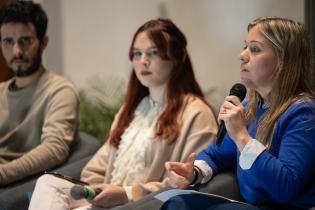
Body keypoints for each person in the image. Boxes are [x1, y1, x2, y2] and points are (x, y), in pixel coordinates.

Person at [28, 18, 218, 209]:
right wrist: (98, 191)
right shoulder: (133, 109)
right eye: (137, 54)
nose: (143, 61)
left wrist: (126, 194)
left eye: (154, 52)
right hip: (108, 201)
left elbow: (184, 185)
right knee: (48, 182)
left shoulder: (196, 113)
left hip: (143, 204)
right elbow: (95, 168)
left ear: (178, 57)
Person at [163, 16, 315, 210]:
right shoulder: (252, 108)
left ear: (284, 60)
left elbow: (285, 187)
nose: (242, 55)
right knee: (176, 203)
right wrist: (193, 171)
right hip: (251, 206)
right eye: (245, 47)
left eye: (255, 49)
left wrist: (242, 136)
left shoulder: (304, 112)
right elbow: (216, 154)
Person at [0, 1, 79, 186]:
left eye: (25, 41)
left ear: (43, 43)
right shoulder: (1, 90)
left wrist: (2, 174)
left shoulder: (60, 91)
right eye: (8, 42)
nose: (16, 51)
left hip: (15, 185)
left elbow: (54, 149)